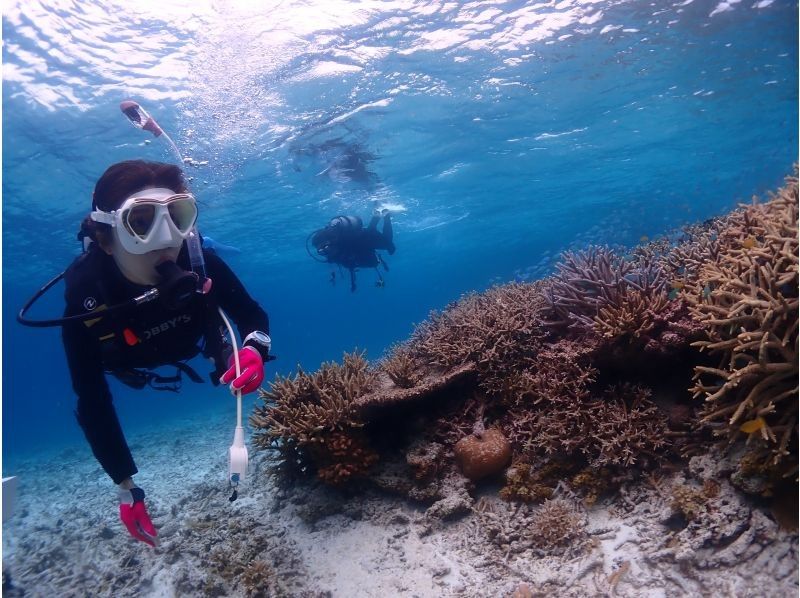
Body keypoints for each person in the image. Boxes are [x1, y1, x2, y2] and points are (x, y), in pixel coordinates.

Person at [64, 160, 271, 547]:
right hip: (129, 359)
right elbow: (91, 397)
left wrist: (254, 348)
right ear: (106, 240)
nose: (166, 240)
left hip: (196, 341)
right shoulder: (85, 298)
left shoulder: (199, 261)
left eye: (177, 217)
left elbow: (252, 315)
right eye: (140, 222)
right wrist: (125, 485)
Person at [309, 209, 395, 291]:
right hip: (365, 239)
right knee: (371, 233)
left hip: (365, 240)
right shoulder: (335, 255)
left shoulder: (344, 243)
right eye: (321, 252)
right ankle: (376, 217)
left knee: (390, 247)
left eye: (325, 248)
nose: (326, 253)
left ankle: (386, 215)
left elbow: (361, 247)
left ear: (330, 242)